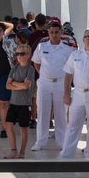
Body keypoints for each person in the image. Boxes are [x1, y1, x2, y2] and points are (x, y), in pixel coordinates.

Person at [60, 30, 89, 159]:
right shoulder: (75, 54)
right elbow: (68, 74)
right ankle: (66, 154)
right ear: (83, 39)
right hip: (78, 93)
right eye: (88, 37)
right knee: (73, 125)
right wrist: (66, 93)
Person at [31, 20, 71, 152]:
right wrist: (43, 74)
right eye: (52, 32)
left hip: (60, 82)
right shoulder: (42, 47)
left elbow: (71, 68)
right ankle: (40, 142)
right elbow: (36, 62)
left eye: (56, 32)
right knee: (42, 112)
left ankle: (61, 142)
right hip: (44, 83)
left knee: (61, 113)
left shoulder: (67, 49)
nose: (54, 35)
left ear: (61, 33)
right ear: (48, 33)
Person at [5, 44, 36, 158]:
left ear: (28, 55)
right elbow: (7, 85)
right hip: (13, 102)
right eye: (17, 54)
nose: (19, 56)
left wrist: (14, 83)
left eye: (21, 54)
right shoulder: (14, 68)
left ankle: (22, 152)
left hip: (24, 103)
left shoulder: (30, 69)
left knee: (23, 128)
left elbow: (25, 86)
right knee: (8, 124)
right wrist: (19, 84)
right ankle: (13, 150)